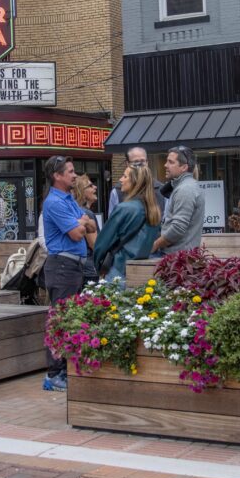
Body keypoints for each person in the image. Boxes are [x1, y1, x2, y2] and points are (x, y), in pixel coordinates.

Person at [41, 155, 96, 392]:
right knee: (60, 319)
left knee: (71, 318)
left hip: (74, 267)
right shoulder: (54, 202)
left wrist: (81, 222)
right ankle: (54, 375)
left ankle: (65, 370)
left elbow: (90, 225)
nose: (75, 175)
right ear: (57, 175)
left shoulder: (69, 199)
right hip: (62, 266)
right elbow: (76, 233)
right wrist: (81, 223)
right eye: (70, 171)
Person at [93, 165, 162, 287]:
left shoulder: (124, 209)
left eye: (125, 176)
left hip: (118, 271)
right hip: (142, 274)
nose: (121, 180)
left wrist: (99, 266)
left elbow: (103, 242)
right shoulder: (154, 211)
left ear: (135, 181)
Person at [151, 146, 205, 256]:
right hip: (180, 258)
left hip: (178, 261)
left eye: (171, 162)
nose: (165, 165)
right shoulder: (185, 186)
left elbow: (177, 229)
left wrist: (155, 245)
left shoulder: (185, 189)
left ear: (184, 167)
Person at [107, 146, 166, 214]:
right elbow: (113, 220)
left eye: (143, 161)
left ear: (147, 163)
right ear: (127, 164)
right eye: (136, 162)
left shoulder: (161, 190)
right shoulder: (117, 192)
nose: (140, 165)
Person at [71, 174, 101, 283]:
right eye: (90, 186)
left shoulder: (76, 211)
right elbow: (94, 244)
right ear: (81, 192)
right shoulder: (86, 213)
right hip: (89, 268)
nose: (95, 187)